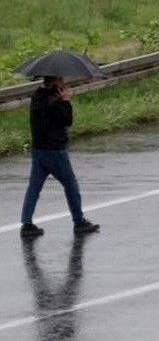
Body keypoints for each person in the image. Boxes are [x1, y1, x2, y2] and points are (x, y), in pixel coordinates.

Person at [20, 76, 98, 239]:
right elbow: (67, 121)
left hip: (38, 149)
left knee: (34, 187)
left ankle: (26, 224)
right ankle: (79, 221)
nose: (64, 82)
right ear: (55, 81)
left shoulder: (37, 96)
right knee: (70, 184)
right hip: (55, 150)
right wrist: (66, 101)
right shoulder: (55, 101)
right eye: (61, 79)